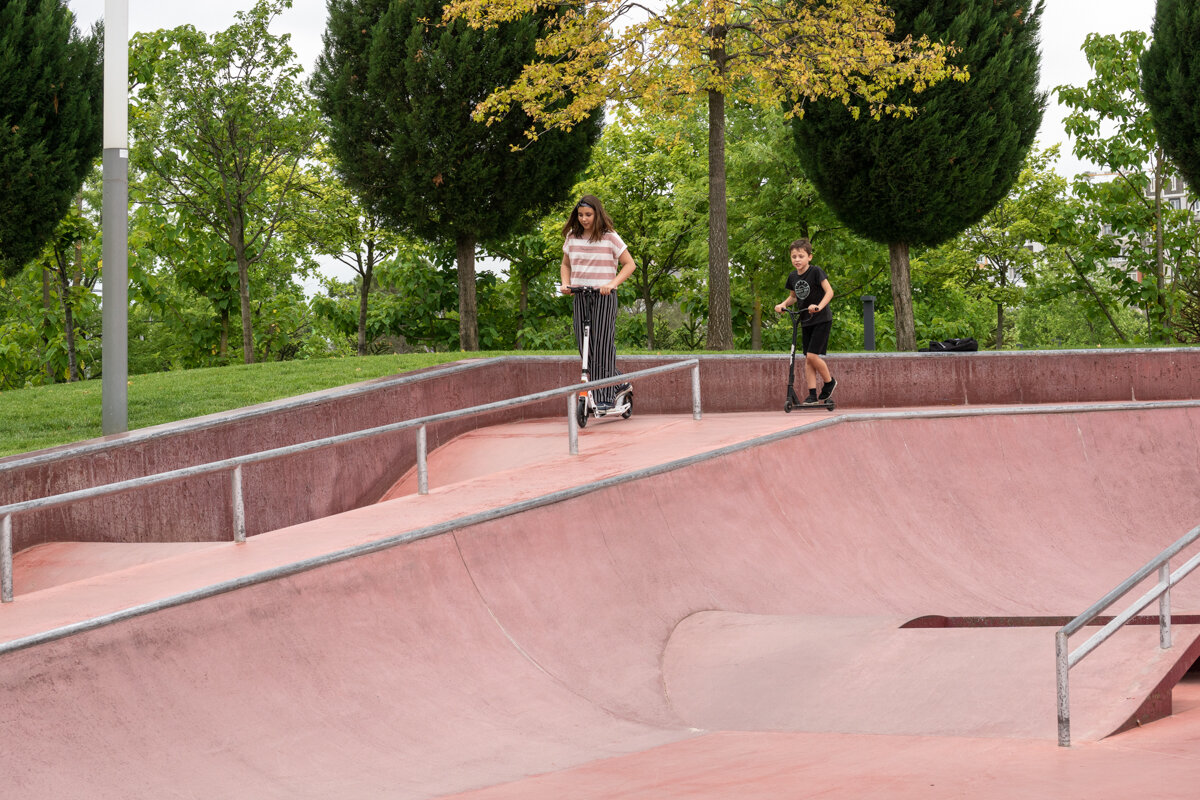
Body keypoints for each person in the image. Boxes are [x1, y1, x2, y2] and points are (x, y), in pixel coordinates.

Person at [560, 195, 637, 409]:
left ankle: (604, 398)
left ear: (597, 214)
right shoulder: (572, 237)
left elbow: (630, 264)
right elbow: (565, 265)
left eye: (589, 215)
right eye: (581, 215)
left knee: (603, 346)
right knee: (585, 347)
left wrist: (612, 284)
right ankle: (619, 382)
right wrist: (566, 283)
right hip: (580, 296)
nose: (584, 219)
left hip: (603, 297)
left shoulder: (609, 236)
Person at [774, 238, 836, 405]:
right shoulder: (793, 276)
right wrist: (783, 304)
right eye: (794, 256)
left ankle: (830, 382)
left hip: (821, 319)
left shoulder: (816, 272)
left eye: (801, 256)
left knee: (812, 356)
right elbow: (793, 297)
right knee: (807, 359)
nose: (797, 260)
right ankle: (812, 394)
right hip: (806, 320)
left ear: (809, 257)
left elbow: (829, 292)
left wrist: (819, 306)